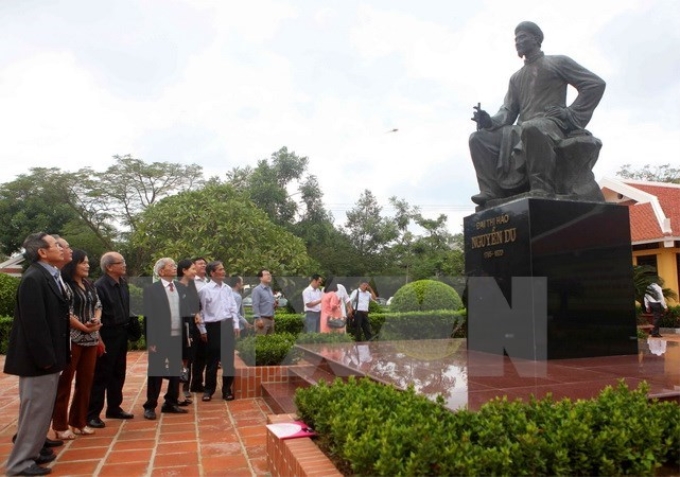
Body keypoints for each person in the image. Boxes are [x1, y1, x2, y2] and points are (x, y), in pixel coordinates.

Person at [469, 21, 606, 208]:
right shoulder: (516, 77)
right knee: (478, 138)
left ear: (536, 39)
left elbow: (595, 84)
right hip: (520, 128)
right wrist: (488, 121)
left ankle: (542, 187)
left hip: (551, 123)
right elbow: (508, 111)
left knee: (532, 127)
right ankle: (490, 190)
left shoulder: (558, 62)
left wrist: (570, 113)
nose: (518, 42)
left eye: (523, 37)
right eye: (516, 39)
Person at [4, 232, 71, 476]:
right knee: (35, 413)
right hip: (38, 362)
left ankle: (31, 455)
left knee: (39, 412)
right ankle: (19, 464)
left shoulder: (48, 275)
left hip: (48, 359)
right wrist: (46, 360)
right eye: (55, 245)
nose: (62, 248)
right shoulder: (34, 278)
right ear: (42, 252)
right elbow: (34, 325)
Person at [52, 249, 103, 440]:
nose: (88, 265)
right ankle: (60, 425)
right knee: (65, 383)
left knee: (85, 382)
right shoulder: (65, 285)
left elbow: (98, 305)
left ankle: (79, 422)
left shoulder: (89, 284)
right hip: (72, 339)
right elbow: (66, 312)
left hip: (90, 339)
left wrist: (95, 323)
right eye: (83, 262)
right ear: (73, 265)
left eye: (88, 262)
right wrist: (84, 327)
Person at [87, 252, 135, 428]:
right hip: (107, 333)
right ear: (109, 267)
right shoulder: (99, 286)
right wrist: (99, 338)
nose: (124, 265)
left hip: (121, 333)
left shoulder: (122, 284)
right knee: (101, 375)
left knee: (118, 372)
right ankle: (91, 414)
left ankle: (114, 407)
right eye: (120, 262)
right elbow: (94, 313)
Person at [142, 258, 188, 420]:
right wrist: (151, 341)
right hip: (160, 338)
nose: (175, 267)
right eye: (171, 265)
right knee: (156, 371)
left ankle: (171, 402)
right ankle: (150, 405)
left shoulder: (181, 288)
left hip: (178, 336)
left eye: (175, 265)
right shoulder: (151, 290)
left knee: (176, 371)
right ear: (161, 271)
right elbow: (149, 318)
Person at [197, 261, 240, 402]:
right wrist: (202, 330)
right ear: (212, 273)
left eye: (223, 269)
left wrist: (236, 325)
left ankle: (227, 389)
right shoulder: (205, 290)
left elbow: (233, 308)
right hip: (213, 327)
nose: (224, 272)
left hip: (227, 325)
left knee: (228, 360)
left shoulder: (227, 289)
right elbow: (201, 312)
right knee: (212, 360)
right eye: (220, 270)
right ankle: (209, 390)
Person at [176, 259, 200, 400]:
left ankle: (181, 391)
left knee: (186, 360)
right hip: (179, 327)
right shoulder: (175, 287)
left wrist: (196, 314)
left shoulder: (191, 287)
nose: (194, 272)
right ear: (184, 270)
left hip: (190, 327)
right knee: (179, 360)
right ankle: (176, 393)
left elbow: (196, 305)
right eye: (192, 269)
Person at [189, 257, 209, 393]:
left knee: (202, 356)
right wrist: (201, 328)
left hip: (207, 323)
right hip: (194, 324)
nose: (204, 265)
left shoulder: (207, 282)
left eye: (205, 263)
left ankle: (196, 383)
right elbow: (195, 308)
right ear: (193, 267)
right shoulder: (191, 283)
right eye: (200, 263)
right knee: (190, 356)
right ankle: (184, 386)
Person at [251, 268, 276, 335]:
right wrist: (258, 319)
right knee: (261, 343)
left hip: (271, 320)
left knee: (270, 343)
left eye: (269, 274)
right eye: (266, 275)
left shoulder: (269, 289)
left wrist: (274, 305)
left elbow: (269, 304)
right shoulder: (257, 290)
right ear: (260, 278)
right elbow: (255, 305)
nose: (269, 276)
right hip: (262, 320)